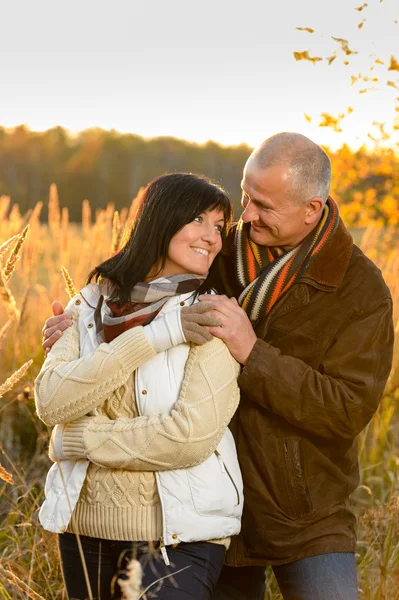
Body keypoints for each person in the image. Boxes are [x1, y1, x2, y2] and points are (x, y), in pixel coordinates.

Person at [43, 133, 395, 600]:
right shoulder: (217, 250)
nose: (245, 215)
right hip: (205, 507)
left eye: (263, 206)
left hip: (304, 512)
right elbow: (143, 286)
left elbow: (347, 409)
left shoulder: (360, 289)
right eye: (246, 196)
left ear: (311, 208)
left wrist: (255, 354)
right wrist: (83, 325)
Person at [35, 173, 243, 600]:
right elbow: (52, 401)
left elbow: (188, 438)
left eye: (220, 226)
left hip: (181, 534)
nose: (213, 237)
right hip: (85, 529)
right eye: (200, 220)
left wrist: (79, 438)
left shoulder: (212, 315)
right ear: (161, 219)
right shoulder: (90, 303)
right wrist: (157, 335)